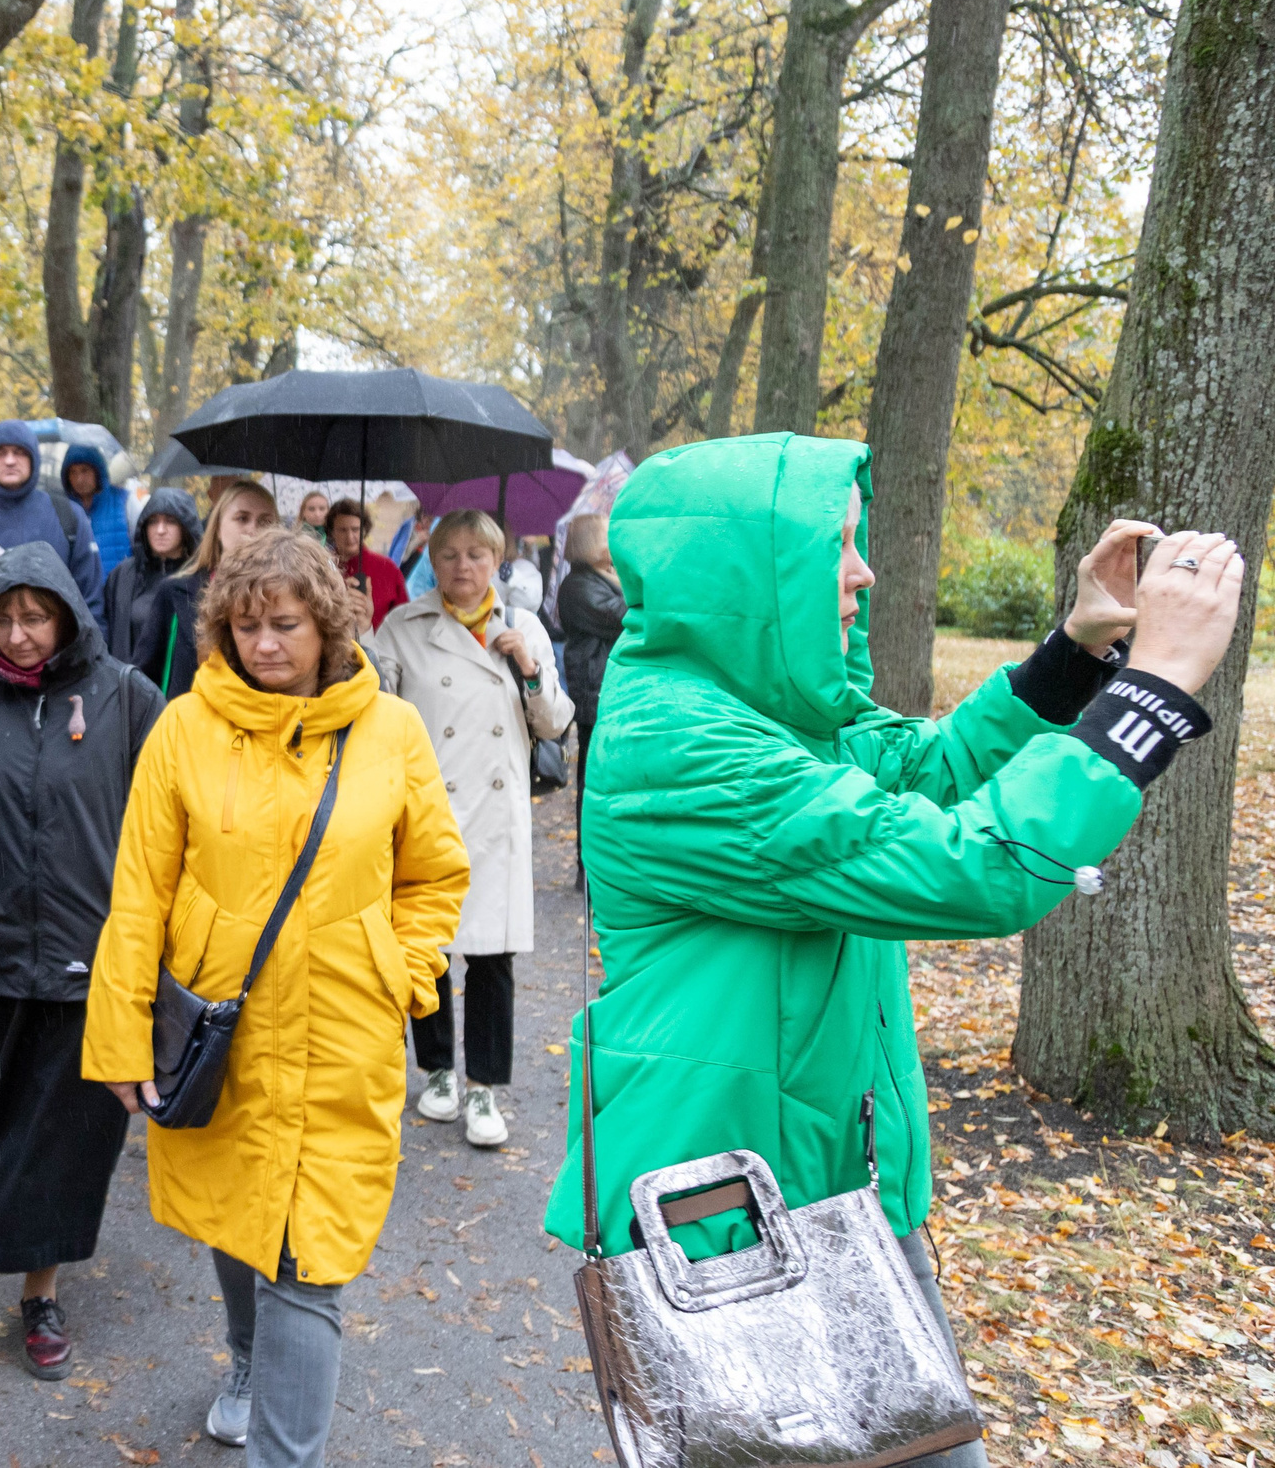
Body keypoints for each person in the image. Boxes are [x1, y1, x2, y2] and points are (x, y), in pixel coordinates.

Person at [547, 434, 1244, 1468]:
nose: (863, 571)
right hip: (736, 1227)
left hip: (829, 1188)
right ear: (745, 572)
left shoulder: (765, 704)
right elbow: (978, 867)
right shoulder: (687, 745)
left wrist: (1075, 648)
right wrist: (1152, 690)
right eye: (831, 546)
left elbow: (933, 770)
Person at [86, 530, 470, 1464]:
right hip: (221, 1032)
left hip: (346, 1034)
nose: (265, 643)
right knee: (237, 1214)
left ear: (327, 625)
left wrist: (401, 968)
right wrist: (121, 1039)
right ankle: (249, 1353)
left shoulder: (391, 731)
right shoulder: (184, 728)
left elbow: (433, 874)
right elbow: (139, 892)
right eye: (247, 625)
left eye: (286, 624)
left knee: (307, 1262)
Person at [0, 542, 163, 1381]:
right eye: (4, 619)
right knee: (5, 1126)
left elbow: (170, 817)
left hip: (93, 965)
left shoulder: (127, 698)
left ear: (66, 615)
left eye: (35, 616)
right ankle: (23, 1253)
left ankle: (38, 1293)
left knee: (67, 1139)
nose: (19, 634)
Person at [370, 510, 574, 1148]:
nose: (463, 566)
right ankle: (437, 1070)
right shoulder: (403, 627)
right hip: (426, 810)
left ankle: (484, 1086)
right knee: (426, 947)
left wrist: (530, 670)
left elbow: (555, 723)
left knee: (491, 955)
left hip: (494, 816)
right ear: (433, 561)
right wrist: (355, 638)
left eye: (476, 554)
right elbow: (373, 709)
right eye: (449, 554)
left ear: (497, 560)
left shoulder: (523, 626)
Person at [131, 481, 279, 699]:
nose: (253, 529)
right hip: (188, 716)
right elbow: (143, 679)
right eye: (242, 518)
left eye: (265, 521)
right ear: (217, 527)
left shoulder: (287, 597)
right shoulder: (175, 592)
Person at [0, 420, 104, 623]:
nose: (10, 460)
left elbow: (91, 601)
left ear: (34, 459)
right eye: (0, 453)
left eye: (19, 452)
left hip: (57, 641)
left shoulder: (68, 516)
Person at [554, 511, 625, 805]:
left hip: (608, 688)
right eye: (608, 537)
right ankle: (588, 834)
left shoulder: (602, 577)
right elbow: (620, 617)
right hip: (594, 691)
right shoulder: (578, 585)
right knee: (594, 775)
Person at [104, 487, 201, 663]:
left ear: (185, 526)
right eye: (153, 522)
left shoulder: (199, 577)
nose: (160, 530)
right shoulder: (123, 575)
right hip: (131, 675)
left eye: (170, 521)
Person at [324, 498, 409, 631]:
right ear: (332, 532)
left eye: (355, 529)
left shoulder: (387, 569)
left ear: (364, 530)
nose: (350, 537)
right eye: (342, 530)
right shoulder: (322, 568)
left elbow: (403, 617)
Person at [62, 442, 132, 584]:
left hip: (119, 591)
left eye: (85, 471)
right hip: (79, 593)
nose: (79, 479)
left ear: (98, 471)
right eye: (73, 472)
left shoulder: (124, 502)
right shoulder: (62, 509)